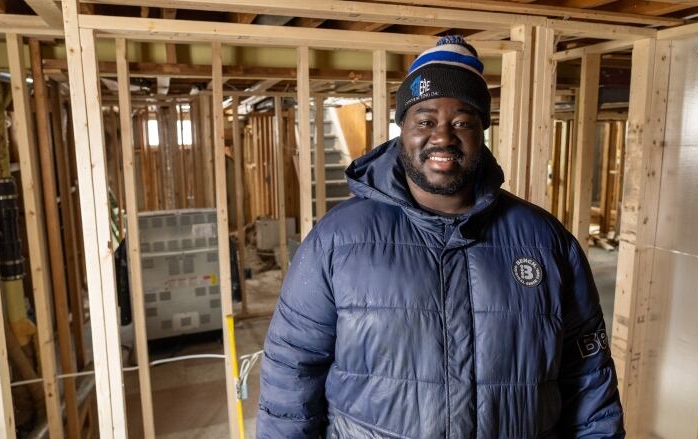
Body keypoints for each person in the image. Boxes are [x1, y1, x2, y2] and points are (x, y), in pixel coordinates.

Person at [257, 35, 624, 438]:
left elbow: (589, 375)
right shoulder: (338, 239)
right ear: (404, 132)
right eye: (426, 120)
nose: (443, 137)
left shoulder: (545, 241)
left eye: (463, 121)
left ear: (482, 131)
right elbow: (292, 368)